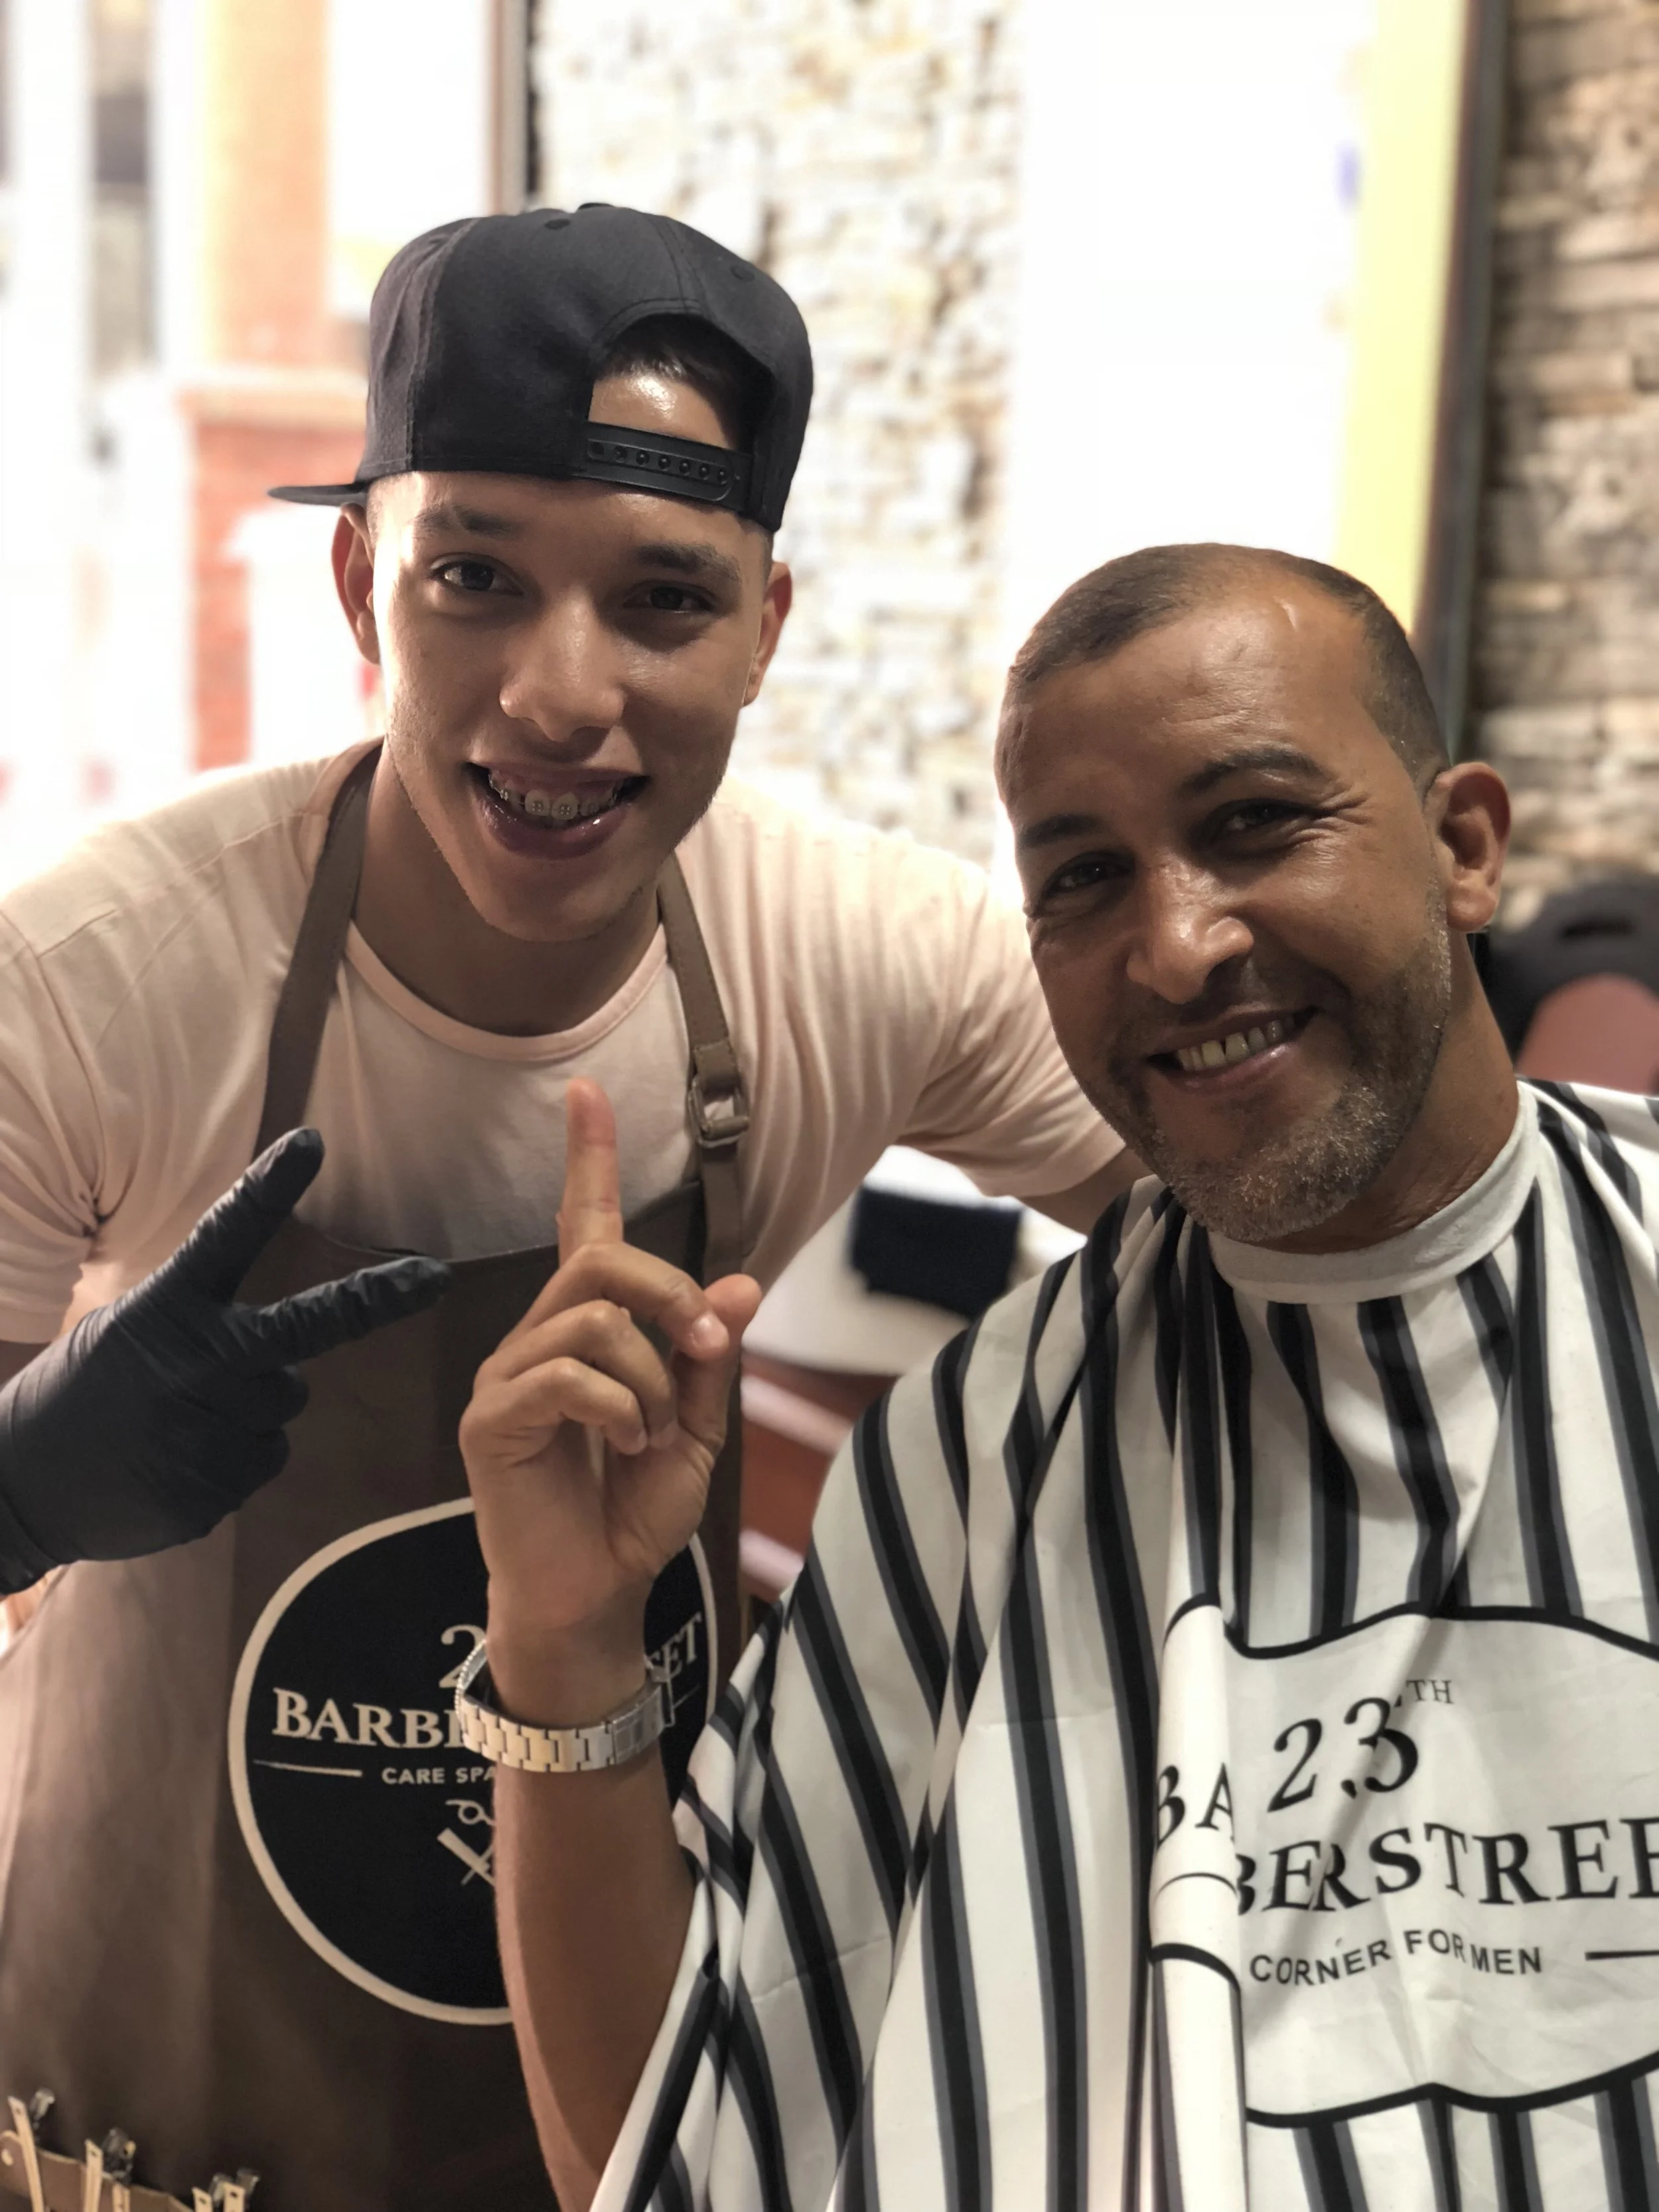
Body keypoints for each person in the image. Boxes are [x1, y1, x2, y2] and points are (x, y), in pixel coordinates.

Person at [0, 206, 1133, 2212]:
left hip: (627, 2108)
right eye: (474, 577)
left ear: (765, 626)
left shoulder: (862, 955)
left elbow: (1274, 1232)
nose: (557, 693)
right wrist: (16, 1489)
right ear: (361, 585)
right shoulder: (95, 979)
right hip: (126, 2128)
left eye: (663, 599)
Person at [463, 541, 1659, 2211]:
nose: (1172, 946)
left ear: (1461, 845)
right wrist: (566, 1638)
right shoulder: (966, 1465)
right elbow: (672, 2150)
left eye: (1255, 822)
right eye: (1083, 878)